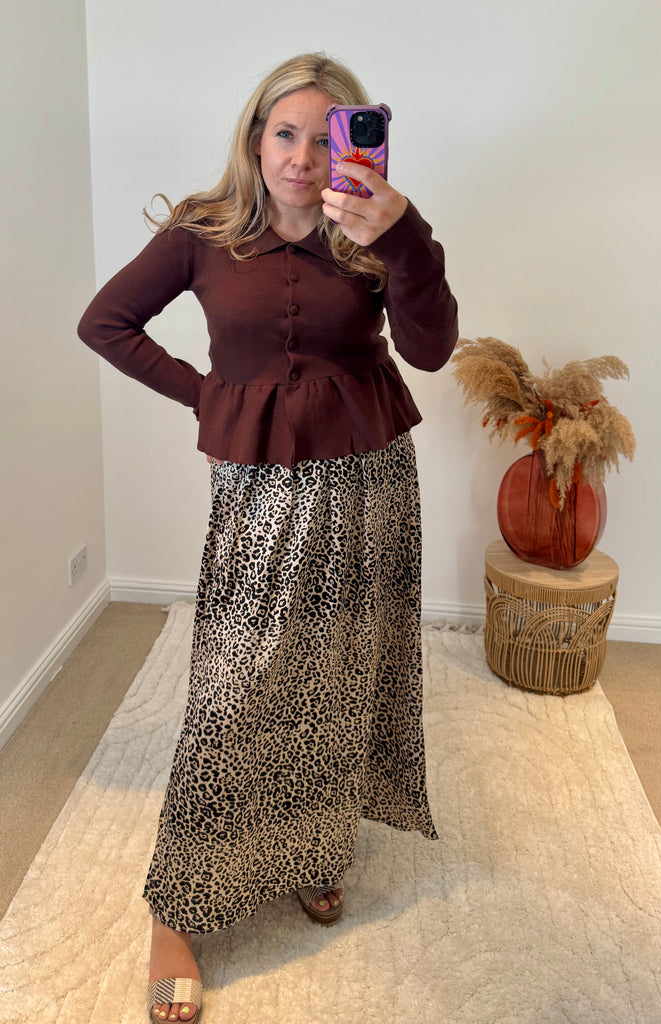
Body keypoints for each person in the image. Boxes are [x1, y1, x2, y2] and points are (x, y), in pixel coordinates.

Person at [78, 51, 458, 1024]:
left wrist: (403, 236)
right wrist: (211, 397)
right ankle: (177, 911)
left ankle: (310, 847)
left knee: (339, 674)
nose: (299, 157)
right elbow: (106, 322)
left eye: (321, 138)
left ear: (351, 147)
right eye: (283, 133)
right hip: (260, 493)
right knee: (232, 692)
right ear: (255, 139)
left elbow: (429, 350)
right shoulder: (203, 231)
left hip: (370, 480)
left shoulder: (372, 231)